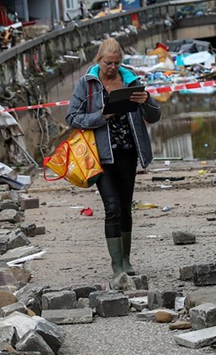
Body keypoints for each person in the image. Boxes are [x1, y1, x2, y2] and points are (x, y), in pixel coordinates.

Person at [65, 38, 161, 282]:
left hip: (128, 152)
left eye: (117, 63)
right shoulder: (87, 84)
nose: (113, 67)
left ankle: (127, 260)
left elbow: (154, 116)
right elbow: (72, 117)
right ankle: (116, 265)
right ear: (99, 60)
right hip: (101, 156)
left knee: (126, 208)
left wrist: (146, 101)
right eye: (108, 63)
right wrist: (102, 115)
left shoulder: (131, 80)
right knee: (112, 208)